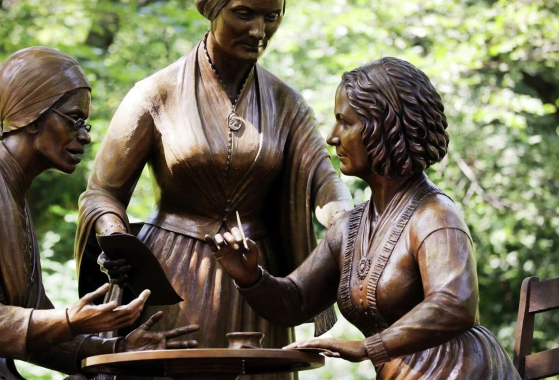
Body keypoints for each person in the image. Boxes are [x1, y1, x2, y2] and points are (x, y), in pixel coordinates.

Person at [0, 47, 199, 380]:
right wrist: (68, 321)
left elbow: (38, 335)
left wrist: (116, 351)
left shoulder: (10, 198)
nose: (85, 135)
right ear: (32, 117)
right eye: (74, 119)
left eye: (85, 123)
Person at [74, 0, 354, 366]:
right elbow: (102, 192)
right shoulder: (156, 93)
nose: (258, 31)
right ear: (212, 10)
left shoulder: (287, 103)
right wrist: (117, 238)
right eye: (244, 13)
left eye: (271, 17)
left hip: (256, 277)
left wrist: (351, 225)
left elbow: (325, 181)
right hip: (172, 275)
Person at [207, 57, 520, 379]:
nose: (332, 136)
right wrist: (250, 277)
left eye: (346, 122)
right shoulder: (350, 228)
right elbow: (297, 300)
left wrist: (367, 348)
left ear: (384, 127)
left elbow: (455, 304)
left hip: (458, 370)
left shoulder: (434, 215)